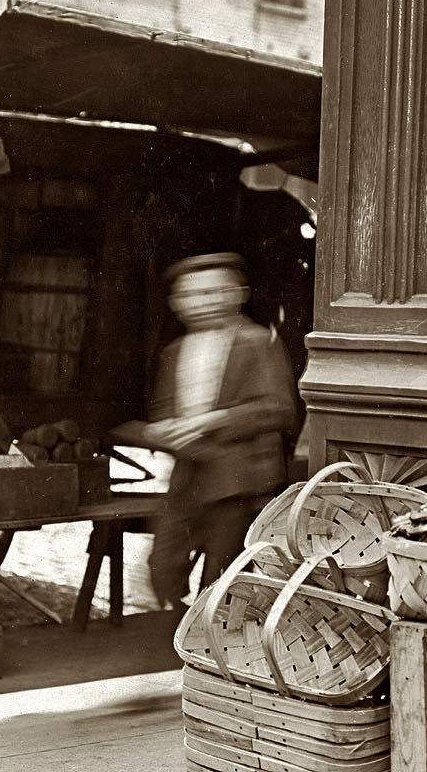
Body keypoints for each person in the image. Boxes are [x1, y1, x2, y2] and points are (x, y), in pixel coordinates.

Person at [138, 252, 297, 611]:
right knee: (162, 567)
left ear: (237, 294)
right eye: (191, 295)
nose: (202, 303)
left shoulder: (257, 342)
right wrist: (164, 430)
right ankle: (185, 624)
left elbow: (279, 409)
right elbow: (164, 410)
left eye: (213, 293)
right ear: (176, 303)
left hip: (239, 479)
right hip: (189, 477)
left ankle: (208, 642)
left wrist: (214, 421)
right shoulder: (176, 350)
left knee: (221, 575)